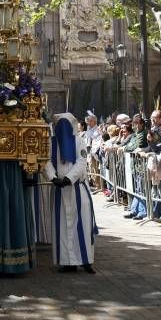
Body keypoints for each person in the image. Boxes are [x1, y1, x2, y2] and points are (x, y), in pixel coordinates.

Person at [43, 112, 98, 273]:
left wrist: (68, 178)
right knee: (63, 227)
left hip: (76, 189)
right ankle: (67, 262)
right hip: (60, 190)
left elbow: (82, 162)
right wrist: (53, 178)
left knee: (82, 224)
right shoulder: (51, 142)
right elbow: (46, 160)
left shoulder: (78, 141)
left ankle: (86, 260)